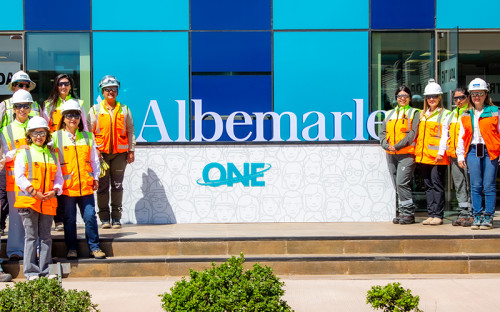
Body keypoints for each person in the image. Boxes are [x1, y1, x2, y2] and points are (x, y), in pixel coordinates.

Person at [52, 100, 105, 259]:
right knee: (69, 219)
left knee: (90, 217)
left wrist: (95, 177)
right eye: (69, 115)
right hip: (67, 187)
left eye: (76, 115)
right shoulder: (55, 137)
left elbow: (94, 160)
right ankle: (72, 248)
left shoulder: (88, 137)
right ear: (63, 118)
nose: (73, 118)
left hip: (85, 185)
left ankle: (94, 248)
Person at [14, 116, 62, 280]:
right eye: (35, 133)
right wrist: (34, 192)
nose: (38, 136)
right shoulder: (24, 152)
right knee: (31, 237)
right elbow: (19, 176)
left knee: (46, 237)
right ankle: (31, 272)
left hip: (47, 201)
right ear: (29, 135)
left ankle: (46, 271)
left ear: (47, 135)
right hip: (29, 202)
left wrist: (55, 190)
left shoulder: (52, 154)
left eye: (41, 132)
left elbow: (59, 178)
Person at [0, 71, 45, 235]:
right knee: (6, 200)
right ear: (13, 87)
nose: (23, 88)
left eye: (26, 85)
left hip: (33, 165)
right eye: (20, 85)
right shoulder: (5, 105)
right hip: (8, 158)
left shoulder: (35, 106)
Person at [88, 75, 135, 229]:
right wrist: (95, 152)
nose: (111, 92)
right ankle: (104, 218)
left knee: (117, 185)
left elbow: (130, 131)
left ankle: (116, 217)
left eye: (114, 89)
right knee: (102, 187)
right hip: (101, 156)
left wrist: (131, 150)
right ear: (102, 91)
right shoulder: (95, 110)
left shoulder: (124, 109)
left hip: (120, 155)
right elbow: (90, 133)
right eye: (108, 89)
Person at [44, 74, 88, 232]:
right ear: (56, 86)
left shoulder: (78, 103)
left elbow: (84, 125)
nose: (63, 87)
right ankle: (59, 219)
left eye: (66, 84)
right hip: (54, 146)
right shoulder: (49, 104)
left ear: (71, 86)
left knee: (68, 183)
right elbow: (45, 125)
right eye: (60, 84)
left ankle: (68, 218)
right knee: (56, 182)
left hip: (73, 145)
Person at [457, 78, 500, 230]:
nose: (477, 96)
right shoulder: (466, 114)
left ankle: (488, 217)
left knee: (489, 186)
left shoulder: (495, 111)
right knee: (475, 186)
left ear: (485, 94)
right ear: (470, 96)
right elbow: (462, 136)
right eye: (474, 94)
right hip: (473, 151)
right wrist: (460, 156)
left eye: (480, 93)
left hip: (490, 151)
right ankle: (477, 216)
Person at [1, 89, 33, 261]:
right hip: (13, 181)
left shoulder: (36, 125)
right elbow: (4, 156)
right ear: (13, 109)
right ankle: (14, 251)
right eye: (19, 106)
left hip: (34, 180)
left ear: (30, 108)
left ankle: (32, 251)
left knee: (32, 218)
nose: (22, 109)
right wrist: (17, 150)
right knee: (14, 219)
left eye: (26, 106)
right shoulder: (6, 130)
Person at [379, 86, 420, 224]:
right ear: (396, 98)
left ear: (410, 98)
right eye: (399, 96)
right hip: (391, 154)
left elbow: (413, 134)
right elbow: (383, 132)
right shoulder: (389, 113)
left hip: (406, 154)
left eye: (405, 96)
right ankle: (402, 212)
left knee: (402, 182)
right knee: (397, 183)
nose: (402, 98)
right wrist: (385, 144)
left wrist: (397, 146)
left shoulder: (415, 112)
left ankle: (408, 213)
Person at [415, 79, 451, 226]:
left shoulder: (445, 114)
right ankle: (431, 213)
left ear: (440, 97)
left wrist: (441, 152)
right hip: (424, 156)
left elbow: (445, 135)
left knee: (436, 184)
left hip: (437, 157)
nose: (431, 99)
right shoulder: (422, 114)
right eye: (429, 97)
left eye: (434, 96)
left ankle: (438, 214)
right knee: (428, 185)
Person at [446, 87, 473, 226]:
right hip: (454, 155)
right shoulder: (451, 115)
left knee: (471, 184)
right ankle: (463, 213)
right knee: (459, 184)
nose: (458, 100)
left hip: (469, 154)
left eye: (461, 97)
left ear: (467, 97)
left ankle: (473, 213)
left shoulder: (471, 113)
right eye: (456, 98)